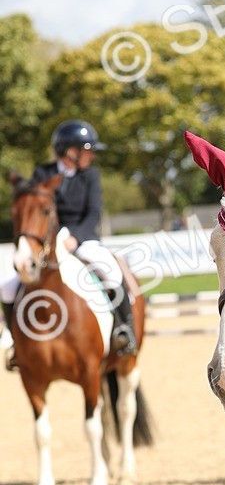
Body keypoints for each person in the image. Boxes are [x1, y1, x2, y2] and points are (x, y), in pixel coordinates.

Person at [0, 120, 137, 366]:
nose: (92, 155)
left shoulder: (90, 177)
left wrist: (75, 236)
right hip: (48, 243)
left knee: (110, 270)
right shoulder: (42, 173)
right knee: (7, 287)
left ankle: (124, 330)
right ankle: (14, 340)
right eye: (88, 149)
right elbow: (34, 210)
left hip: (81, 240)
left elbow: (93, 213)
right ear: (70, 152)